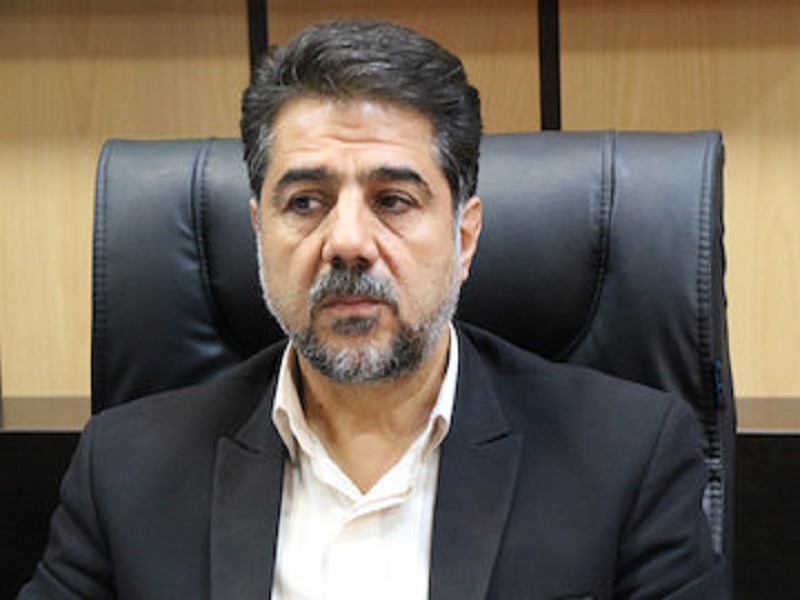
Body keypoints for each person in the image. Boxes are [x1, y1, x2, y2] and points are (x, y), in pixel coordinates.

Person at [20, 19, 726, 600]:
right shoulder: (125, 471)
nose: (349, 242)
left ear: (465, 237)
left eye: (393, 200)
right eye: (306, 202)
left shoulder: (627, 458)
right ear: (259, 233)